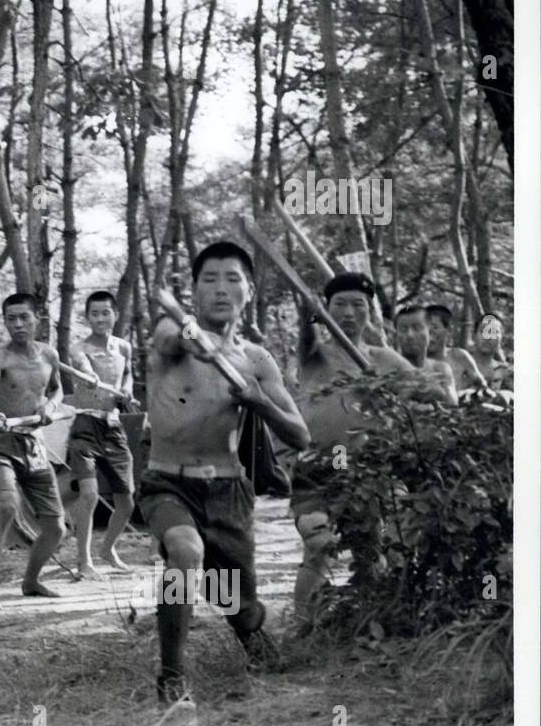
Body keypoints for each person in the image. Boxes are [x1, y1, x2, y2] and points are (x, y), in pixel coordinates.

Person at [139, 243, 310, 702]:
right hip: (167, 482)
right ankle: (171, 676)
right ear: (193, 291)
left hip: (229, 490)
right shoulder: (171, 335)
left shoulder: (255, 361)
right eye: (209, 279)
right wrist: (197, 338)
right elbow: (175, 336)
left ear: (249, 291)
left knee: (236, 602)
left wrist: (260, 402)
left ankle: (253, 634)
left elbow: (300, 435)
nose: (220, 288)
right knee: (184, 551)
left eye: (232, 278)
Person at [291, 274, 452, 629]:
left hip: (367, 473)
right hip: (317, 470)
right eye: (339, 305)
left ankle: (370, 624)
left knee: (370, 555)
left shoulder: (384, 358)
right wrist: (307, 313)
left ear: (370, 312)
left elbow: (436, 395)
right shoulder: (315, 353)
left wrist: (407, 394)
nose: (348, 313)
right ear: (326, 310)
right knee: (318, 544)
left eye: (358, 305)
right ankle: (300, 631)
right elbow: (305, 336)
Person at [0, 293, 67, 609]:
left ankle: (31, 581)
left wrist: (50, 406)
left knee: (56, 527)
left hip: (34, 444)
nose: (17, 324)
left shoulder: (49, 355)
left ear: (36, 318)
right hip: (1, 442)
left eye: (23, 317)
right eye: (10, 318)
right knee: (7, 505)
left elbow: (57, 388)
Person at [65, 290, 136, 578]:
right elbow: (81, 366)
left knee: (127, 501)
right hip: (86, 426)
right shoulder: (78, 349)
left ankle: (107, 549)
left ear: (115, 315)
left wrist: (128, 388)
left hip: (114, 426)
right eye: (94, 313)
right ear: (87, 317)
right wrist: (88, 374)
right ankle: (84, 561)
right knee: (90, 495)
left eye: (105, 312)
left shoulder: (123, 347)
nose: (100, 318)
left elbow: (127, 373)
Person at [393, 305, 459, 405]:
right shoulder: (389, 365)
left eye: (416, 328)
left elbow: (453, 403)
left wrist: (419, 390)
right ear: (396, 334)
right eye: (403, 329)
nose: (409, 335)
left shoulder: (440, 369)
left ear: (430, 332)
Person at [424, 303, 487, 394]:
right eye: (424, 328)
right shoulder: (413, 359)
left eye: (435, 327)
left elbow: (482, 385)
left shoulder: (458, 356)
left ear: (449, 330)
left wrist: (466, 393)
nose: (429, 333)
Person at [471, 312, 511, 392]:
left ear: (502, 340)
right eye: (483, 331)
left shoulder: (507, 373)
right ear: (473, 336)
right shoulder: (460, 365)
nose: (487, 337)